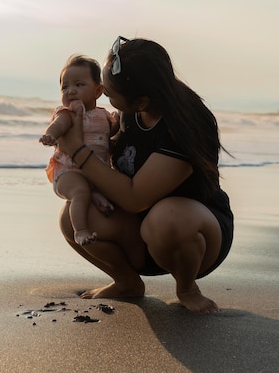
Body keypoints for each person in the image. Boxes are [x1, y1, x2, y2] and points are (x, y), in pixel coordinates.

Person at [56, 37, 234, 313]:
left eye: (111, 94)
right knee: (73, 217)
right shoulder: (130, 112)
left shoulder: (186, 126)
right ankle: (127, 283)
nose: (106, 99)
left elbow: (134, 198)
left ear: (141, 101)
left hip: (194, 235)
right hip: (142, 233)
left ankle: (187, 287)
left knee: (167, 217)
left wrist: (78, 150)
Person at [40, 54, 121, 246]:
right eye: (65, 87)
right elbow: (59, 125)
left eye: (78, 85)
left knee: (109, 189)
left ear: (98, 90)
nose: (70, 91)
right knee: (80, 191)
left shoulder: (103, 115)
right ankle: (81, 231)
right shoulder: (69, 112)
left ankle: (96, 195)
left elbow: (111, 133)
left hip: (93, 169)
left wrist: (118, 123)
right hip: (68, 171)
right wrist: (50, 135)